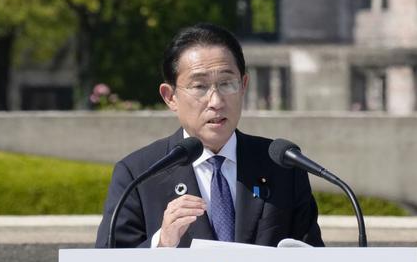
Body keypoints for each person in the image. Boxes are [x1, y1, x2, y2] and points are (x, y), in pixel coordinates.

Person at [95, 22, 323, 248]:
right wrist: (162, 243)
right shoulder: (138, 173)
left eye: (226, 83)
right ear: (170, 96)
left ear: (243, 85)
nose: (216, 101)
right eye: (199, 87)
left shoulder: (282, 166)